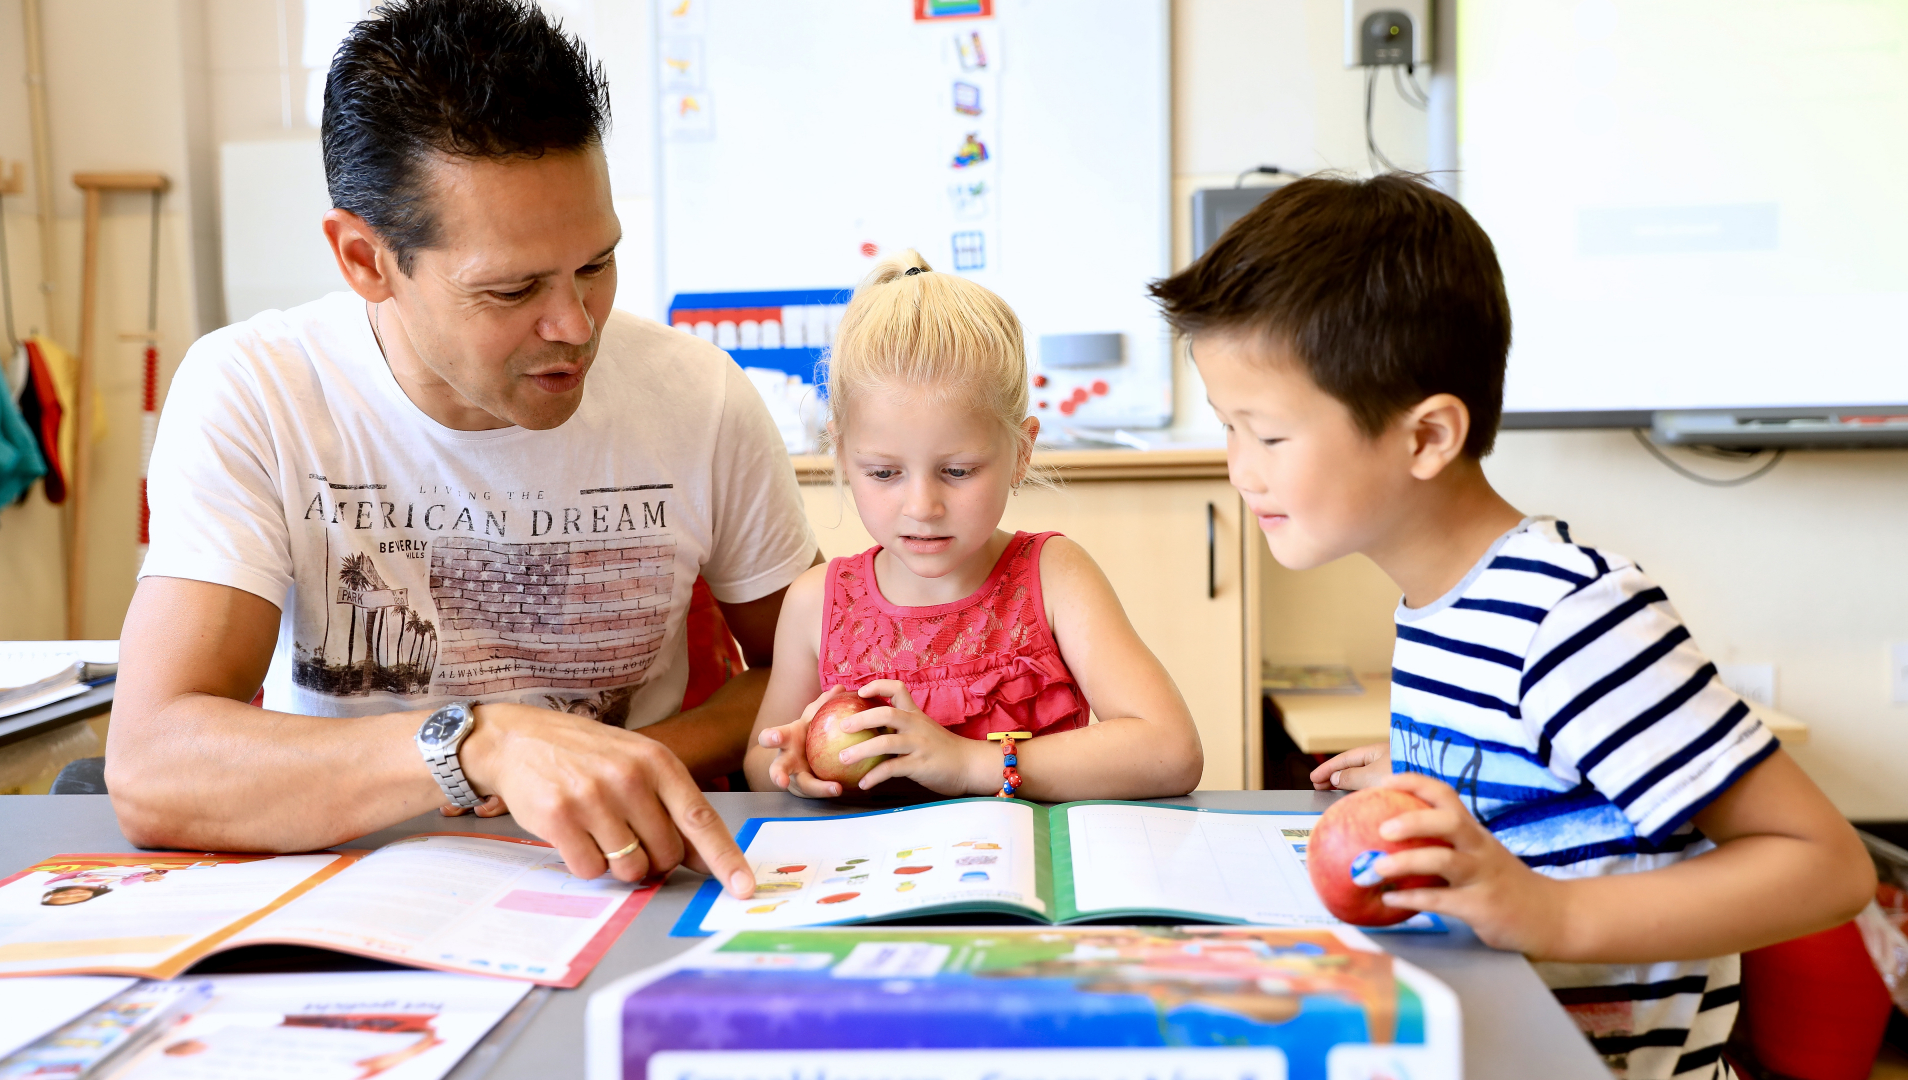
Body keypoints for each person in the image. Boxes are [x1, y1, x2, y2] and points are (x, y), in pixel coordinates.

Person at [1150, 173, 1873, 1080]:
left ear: (1425, 439)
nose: (1238, 471)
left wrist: (1550, 913)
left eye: (1266, 435)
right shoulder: (1445, 601)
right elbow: (1559, 784)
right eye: (1227, 430)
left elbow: (1826, 867)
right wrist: (1457, 769)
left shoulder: (1574, 619)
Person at [109, 0, 822, 901]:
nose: (574, 325)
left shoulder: (698, 396)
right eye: (513, 288)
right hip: (346, 890)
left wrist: (621, 760)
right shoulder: (255, 390)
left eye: (596, 265)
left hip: (624, 883)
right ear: (367, 260)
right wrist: (486, 744)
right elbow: (150, 765)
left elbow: (822, 663)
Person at [745, 252, 1201, 801]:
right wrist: (794, 762)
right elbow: (759, 762)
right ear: (841, 454)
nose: (922, 505)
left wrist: (969, 763)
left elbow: (1170, 752)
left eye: (957, 471)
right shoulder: (814, 603)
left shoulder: (1055, 578)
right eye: (884, 472)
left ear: (1021, 453)